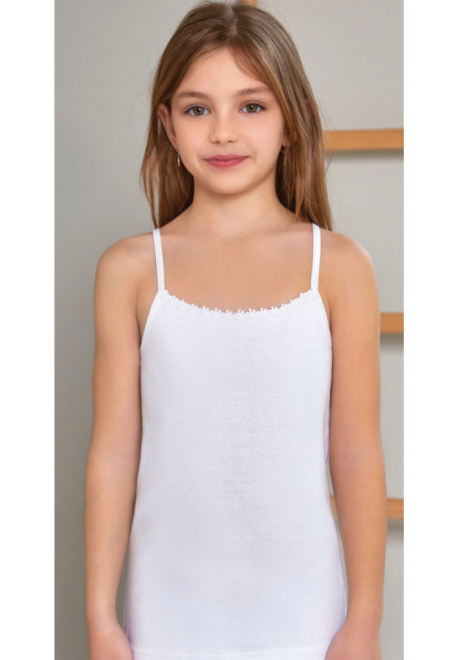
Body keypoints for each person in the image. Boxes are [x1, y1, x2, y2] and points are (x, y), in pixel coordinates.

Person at [84, 2, 387, 659]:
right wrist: (101, 621)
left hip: (305, 612)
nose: (223, 132)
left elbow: (358, 454)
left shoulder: (339, 267)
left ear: (291, 121)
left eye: (251, 106)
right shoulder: (129, 270)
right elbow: (112, 454)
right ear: (167, 124)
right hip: (166, 609)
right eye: (198, 109)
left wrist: (363, 624)